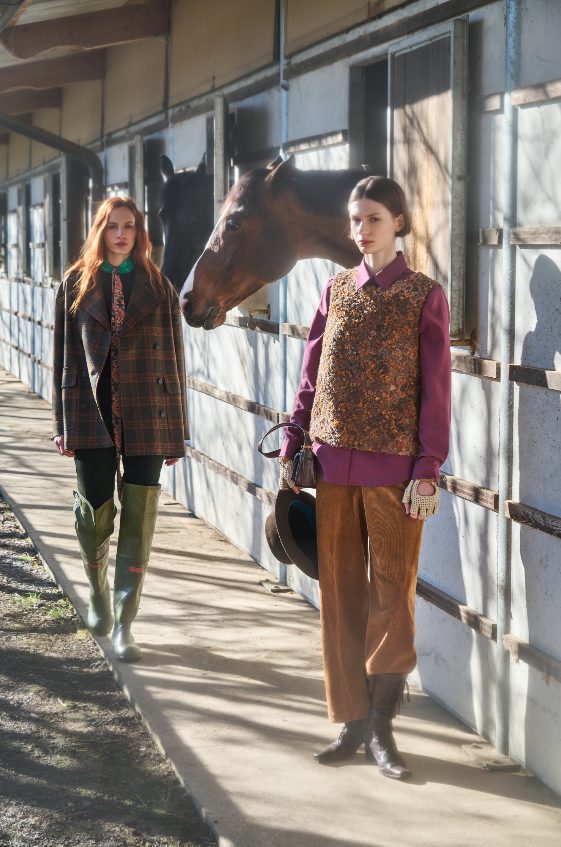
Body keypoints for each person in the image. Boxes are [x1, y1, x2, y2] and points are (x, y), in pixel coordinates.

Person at [279, 176, 451, 780]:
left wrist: (428, 467)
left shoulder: (424, 295)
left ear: (398, 222)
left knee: (392, 596)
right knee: (340, 594)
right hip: (332, 468)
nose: (362, 230)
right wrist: (295, 437)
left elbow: (436, 391)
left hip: (396, 473)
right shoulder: (334, 291)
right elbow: (311, 374)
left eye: (374, 218)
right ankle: (351, 721)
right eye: (355, 219)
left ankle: (381, 725)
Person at [52, 197, 188, 662]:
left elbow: (176, 359)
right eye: (113, 226)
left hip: (149, 409)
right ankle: (97, 593)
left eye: (129, 226)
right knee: (94, 512)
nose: (122, 234)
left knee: (140, 515)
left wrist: (177, 430)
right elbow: (62, 355)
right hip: (90, 409)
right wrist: (61, 423)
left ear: (139, 231)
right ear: (99, 230)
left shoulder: (158, 285)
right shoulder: (75, 283)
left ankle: (126, 622)